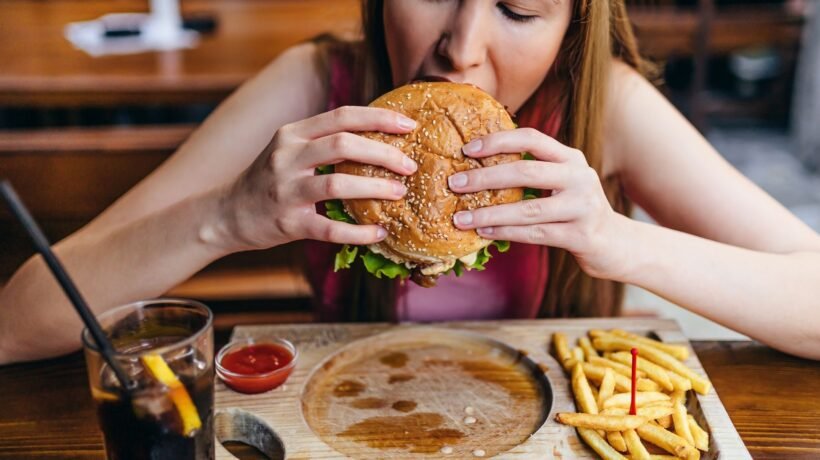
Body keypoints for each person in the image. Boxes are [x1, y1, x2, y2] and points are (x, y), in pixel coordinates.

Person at [1, 0, 819, 364]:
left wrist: (618, 242)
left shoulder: (608, 110)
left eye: (518, 10)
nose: (460, 49)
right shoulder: (312, 87)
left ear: (575, 25)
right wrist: (224, 217)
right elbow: (18, 324)